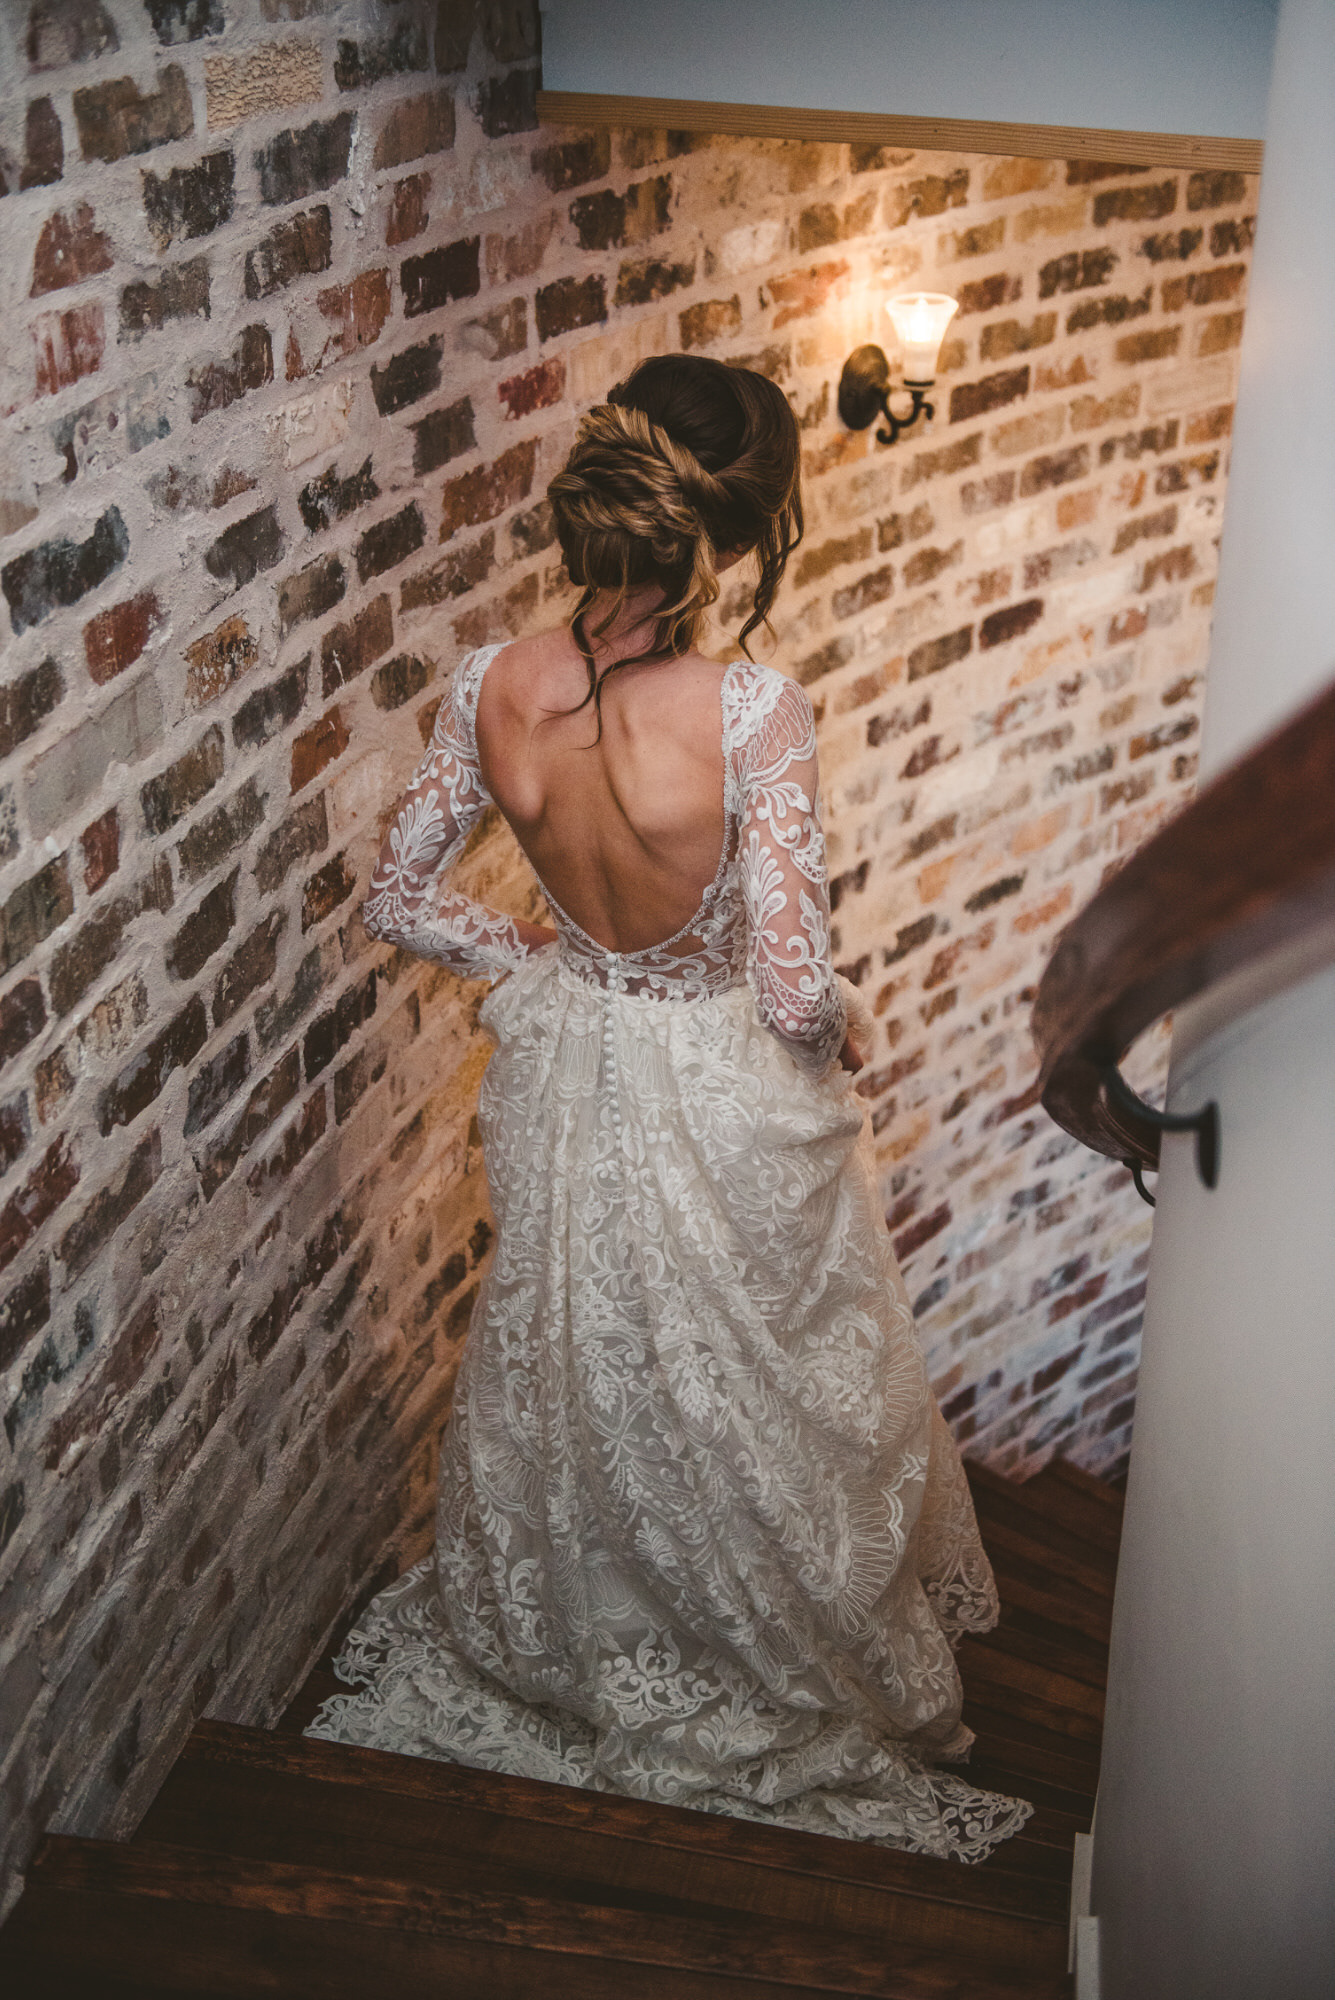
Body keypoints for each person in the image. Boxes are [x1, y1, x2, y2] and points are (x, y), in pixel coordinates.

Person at [308, 354, 1030, 1861]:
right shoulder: (752, 707)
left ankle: (590, 1632)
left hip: (571, 1061)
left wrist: (534, 953)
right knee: (750, 1388)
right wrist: (846, 1023)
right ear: (737, 533)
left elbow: (398, 897)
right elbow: (792, 992)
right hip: (716, 1087)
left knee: (590, 1356)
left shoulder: (493, 684)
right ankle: (746, 1646)